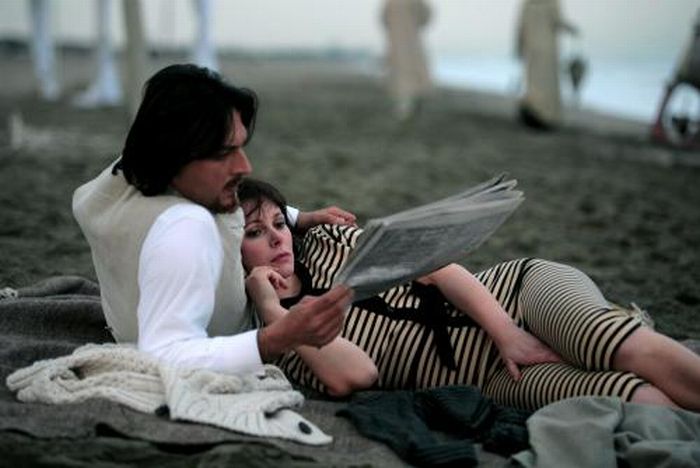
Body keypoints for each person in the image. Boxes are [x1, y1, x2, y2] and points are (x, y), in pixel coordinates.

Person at [239, 178, 700, 412]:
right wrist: (273, 309)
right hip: (483, 379)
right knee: (628, 396)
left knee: (613, 344)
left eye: (280, 223)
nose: (279, 238)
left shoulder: (324, 242)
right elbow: (356, 375)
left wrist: (506, 332)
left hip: (511, 297)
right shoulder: (277, 339)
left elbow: (437, 266)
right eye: (256, 233)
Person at [72, 64, 357, 375]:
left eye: (240, 147)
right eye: (224, 153)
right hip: (229, 342)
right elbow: (164, 354)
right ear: (176, 152)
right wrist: (278, 336)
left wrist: (298, 218)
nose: (244, 166)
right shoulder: (187, 229)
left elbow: (236, 198)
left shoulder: (106, 191)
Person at [515, 0, 578, 130]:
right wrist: (572, 29)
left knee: (534, 82)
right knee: (548, 84)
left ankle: (535, 111)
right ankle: (548, 117)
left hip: (531, 48)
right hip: (548, 51)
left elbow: (521, 27)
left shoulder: (528, 4)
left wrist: (518, 47)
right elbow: (558, 21)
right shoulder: (552, 2)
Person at [381, 0, 432, 121]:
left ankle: (405, 106)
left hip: (396, 40)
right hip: (411, 40)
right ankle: (411, 104)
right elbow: (425, 16)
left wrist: (393, 27)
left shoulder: (391, 2)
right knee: (413, 71)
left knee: (400, 73)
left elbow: (384, 19)